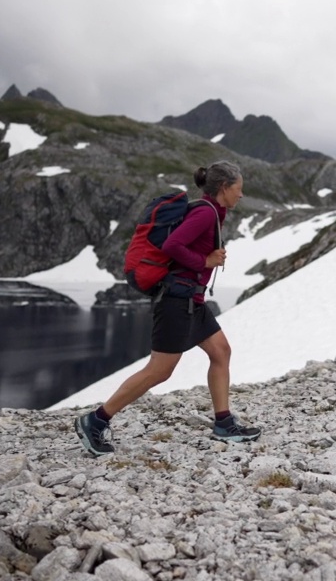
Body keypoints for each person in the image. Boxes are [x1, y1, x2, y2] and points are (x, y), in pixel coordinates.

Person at [75, 161, 261, 456]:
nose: (241, 195)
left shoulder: (211, 211)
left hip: (193, 301)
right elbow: (173, 245)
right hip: (177, 302)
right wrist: (205, 262)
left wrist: (206, 258)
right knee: (159, 371)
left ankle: (224, 422)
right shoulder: (203, 213)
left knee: (221, 351)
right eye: (239, 189)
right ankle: (96, 421)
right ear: (224, 188)